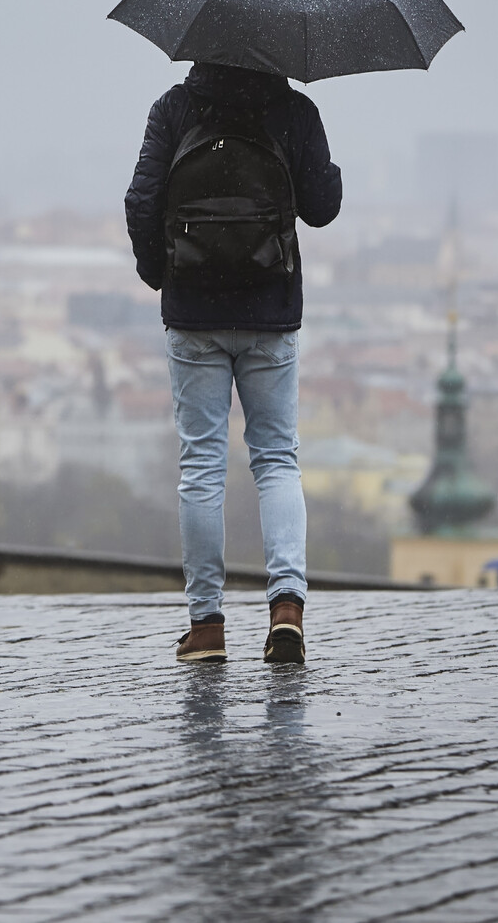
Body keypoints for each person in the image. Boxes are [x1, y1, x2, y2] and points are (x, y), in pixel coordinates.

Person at [124, 60, 342, 665]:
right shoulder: (292, 109)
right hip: (271, 307)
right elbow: (322, 207)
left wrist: (161, 275)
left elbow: (141, 199)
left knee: (201, 463)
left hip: (193, 311)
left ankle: (207, 628)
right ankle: (287, 611)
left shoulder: (174, 108)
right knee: (276, 458)